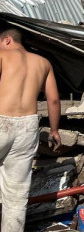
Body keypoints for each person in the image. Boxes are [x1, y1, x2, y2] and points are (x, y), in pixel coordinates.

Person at [0, 28, 61, 231]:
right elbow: (53, 100)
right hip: (27, 127)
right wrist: (54, 130)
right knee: (16, 195)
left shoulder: (2, 55)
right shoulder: (43, 63)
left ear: (7, 40)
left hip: (1, 121)